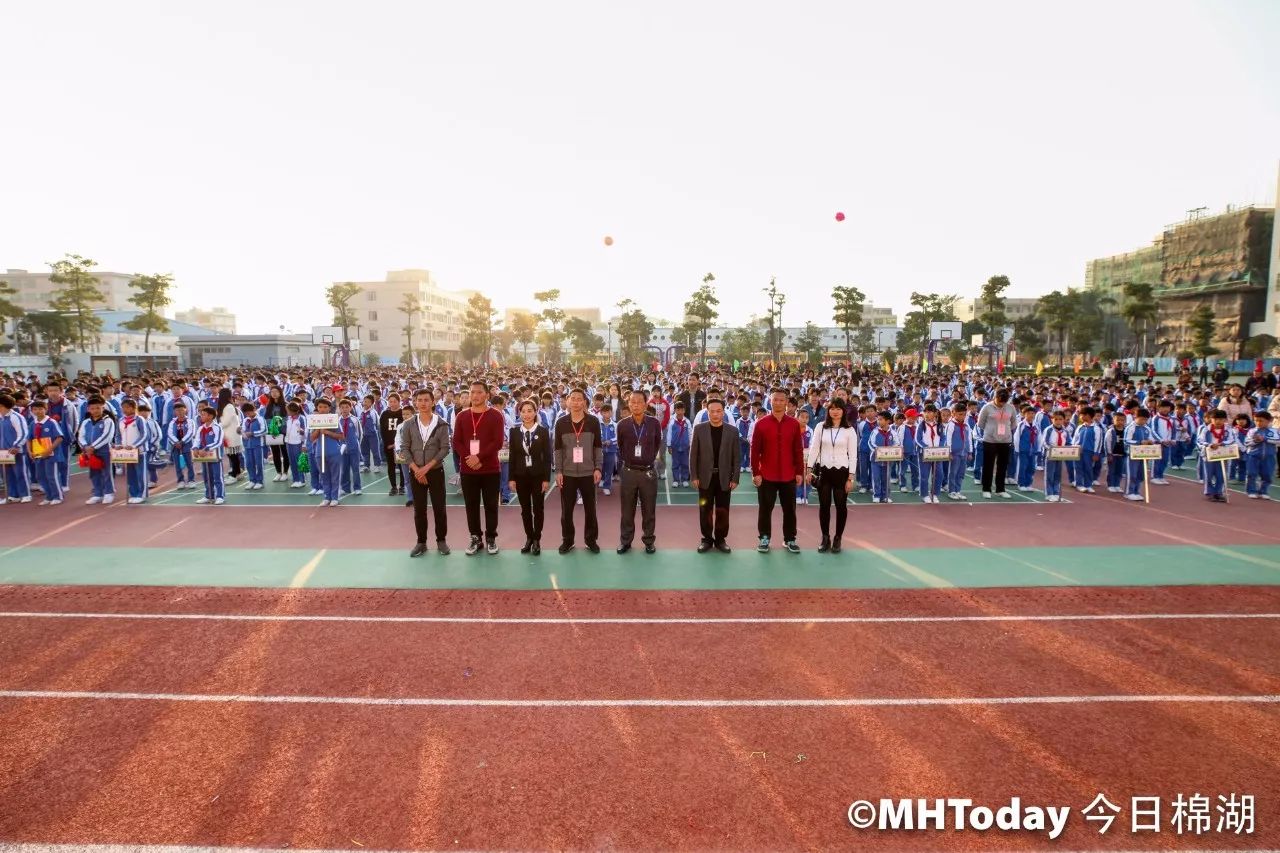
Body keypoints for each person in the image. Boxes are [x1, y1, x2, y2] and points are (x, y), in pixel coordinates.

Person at [452, 380, 506, 556]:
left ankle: (491, 538)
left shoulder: (496, 415)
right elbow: (456, 442)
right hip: (468, 469)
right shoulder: (462, 416)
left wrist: (479, 457)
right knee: (471, 505)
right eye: (472, 392)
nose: (475, 396)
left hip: (490, 468)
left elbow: (497, 442)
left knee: (491, 505)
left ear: (487, 395)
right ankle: (475, 537)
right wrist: (469, 458)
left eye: (479, 392)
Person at [399, 388, 451, 557]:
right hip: (415, 473)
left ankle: (441, 540)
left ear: (432, 402)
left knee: (439, 508)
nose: (422, 403)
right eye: (419, 400)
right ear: (415, 402)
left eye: (426, 400)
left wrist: (426, 468)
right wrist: (416, 469)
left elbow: (445, 449)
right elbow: (404, 449)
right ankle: (421, 542)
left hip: (435, 471)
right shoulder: (408, 424)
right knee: (419, 509)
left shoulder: (441, 423)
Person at [751, 389, 804, 554]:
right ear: (770, 401)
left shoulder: (794, 424)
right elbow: (754, 451)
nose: (779, 403)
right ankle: (764, 538)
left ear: (787, 402)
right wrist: (756, 473)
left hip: (789, 475)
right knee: (765, 509)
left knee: (790, 510)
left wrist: (799, 472)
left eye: (782, 400)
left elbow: (798, 450)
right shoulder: (761, 424)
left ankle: (790, 539)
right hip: (767, 475)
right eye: (775, 400)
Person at [554, 388, 603, 554]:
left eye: (579, 399)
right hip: (567, 473)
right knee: (566, 511)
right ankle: (568, 540)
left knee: (591, 509)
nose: (575, 402)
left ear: (584, 402)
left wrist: (598, 467)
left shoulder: (593, 422)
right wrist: (559, 471)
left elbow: (597, 447)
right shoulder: (561, 423)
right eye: (572, 399)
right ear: (568, 401)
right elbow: (558, 450)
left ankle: (591, 540)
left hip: (588, 472)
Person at [616, 389, 663, 554]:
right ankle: (626, 541)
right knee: (627, 511)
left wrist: (647, 458)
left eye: (639, 402)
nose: (635, 405)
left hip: (648, 473)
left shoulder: (654, 423)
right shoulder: (622, 425)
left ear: (645, 404)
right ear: (628, 404)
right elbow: (620, 447)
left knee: (649, 510)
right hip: (628, 472)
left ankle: (649, 541)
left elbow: (657, 443)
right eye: (632, 402)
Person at [806, 399, 856, 552]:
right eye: (832, 408)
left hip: (842, 472)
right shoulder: (821, 427)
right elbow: (814, 448)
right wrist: (809, 469)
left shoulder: (849, 430)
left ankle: (838, 538)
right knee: (824, 506)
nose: (835, 411)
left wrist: (850, 477)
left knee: (841, 507)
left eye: (838, 409)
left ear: (843, 411)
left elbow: (853, 455)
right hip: (824, 471)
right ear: (828, 411)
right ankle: (825, 537)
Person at [508, 400, 551, 555]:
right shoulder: (514, 432)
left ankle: (537, 539)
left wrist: (546, 479)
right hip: (520, 476)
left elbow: (547, 458)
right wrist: (511, 478)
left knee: (538, 509)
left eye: (529, 411)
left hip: (538, 476)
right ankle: (529, 538)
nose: (526, 414)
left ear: (535, 412)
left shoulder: (543, 431)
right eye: (523, 411)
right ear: (519, 413)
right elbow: (512, 456)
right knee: (525, 510)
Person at [976, 388, 1016, 498]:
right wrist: (991, 431)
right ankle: (986, 489)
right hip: (990, 440)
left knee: (1002, 466)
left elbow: (1013, 423)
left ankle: (1000, 489)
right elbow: (980, 423)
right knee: (988, 465)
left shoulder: (1010, 408)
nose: (1002, 404)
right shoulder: (987, 407)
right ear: (995, 397)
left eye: (1004, 402)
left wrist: (1006, 432)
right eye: (1000, 402)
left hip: (1005, 440)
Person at [77, 396, 116, 504]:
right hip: (89, 452)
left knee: (107, 472)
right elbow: (81, 436)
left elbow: (107, 436)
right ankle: (98, 494)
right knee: (94, 472)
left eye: (98, 408)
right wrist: (85, 447)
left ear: (103, 408)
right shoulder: (86, 422)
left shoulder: (108, 421)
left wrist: (93, 447)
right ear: (88, 409)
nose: (95, 410)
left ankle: (109, 493)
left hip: (104, 450)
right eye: (92, 408)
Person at [26, 398, 64, 505]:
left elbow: (59, 437)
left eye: (40, 409)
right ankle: (49, 496)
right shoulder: (33, 424)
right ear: (32, 411)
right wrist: (30, 451)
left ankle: (57, 496)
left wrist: (49, 449)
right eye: (35, 409)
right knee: (40, 476)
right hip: (38, 454)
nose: (38, 411)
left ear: (46, 409)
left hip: (51, 454)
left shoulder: (51, 422)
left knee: (51, 475)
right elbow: (29, 439)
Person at [193, 405, 226, 505]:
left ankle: (220, 496)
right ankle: (209, 495)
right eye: (201, 414)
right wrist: (195, 448)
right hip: (204, 456)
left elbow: (218, 442)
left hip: (215, 455)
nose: (201, 416)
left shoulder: (217, 427)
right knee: (207, 476)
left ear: (211, 416)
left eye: (203, 414)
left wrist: (206, 448)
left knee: (217, 476)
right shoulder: (201, 428)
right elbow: (197, 440)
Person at [380, 393, 409, 496]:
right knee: (391, 466)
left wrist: (397, 444)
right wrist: (387, 443)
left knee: (402, 466)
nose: (392, 404)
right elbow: (382, 430)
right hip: (388, 445)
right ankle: (393, 486)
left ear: (399, 401)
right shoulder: (384, 414)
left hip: (400, 445)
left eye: (395, 401)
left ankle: (402, 486)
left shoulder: (403, 413)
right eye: (390, 401)